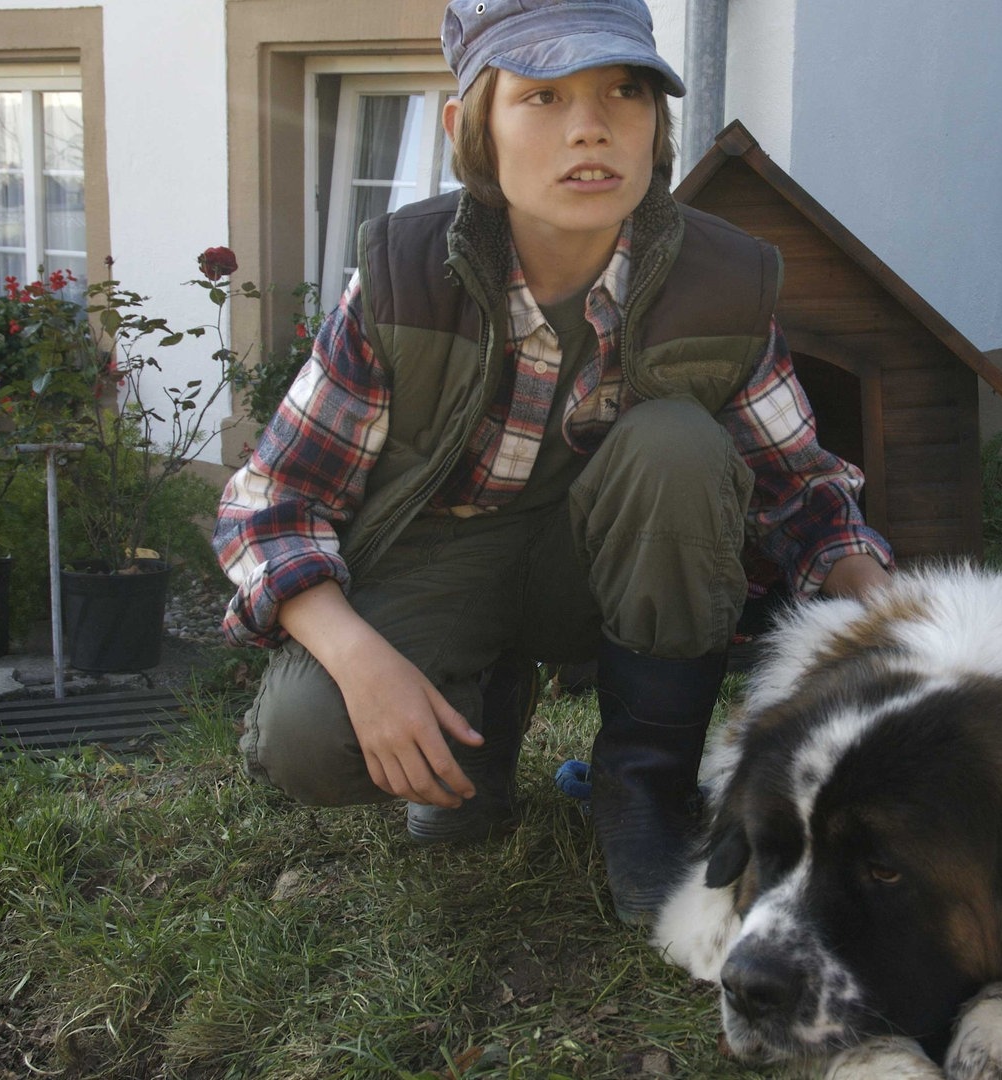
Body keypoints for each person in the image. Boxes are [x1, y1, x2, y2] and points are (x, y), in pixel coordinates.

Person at [212, 0, 892, 923]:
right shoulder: (406, 275)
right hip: (442, 561)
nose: (591, 127)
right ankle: (480, 718)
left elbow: (802, 487)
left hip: (606, 566)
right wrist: (364, 665)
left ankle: (642, 787)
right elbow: (269, 503)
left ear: (658, 120)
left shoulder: (723, 282)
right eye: (542, 96)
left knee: (679, 445)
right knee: (307, 740)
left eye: (625, 90)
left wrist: (883, 610)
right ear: (471, 129)